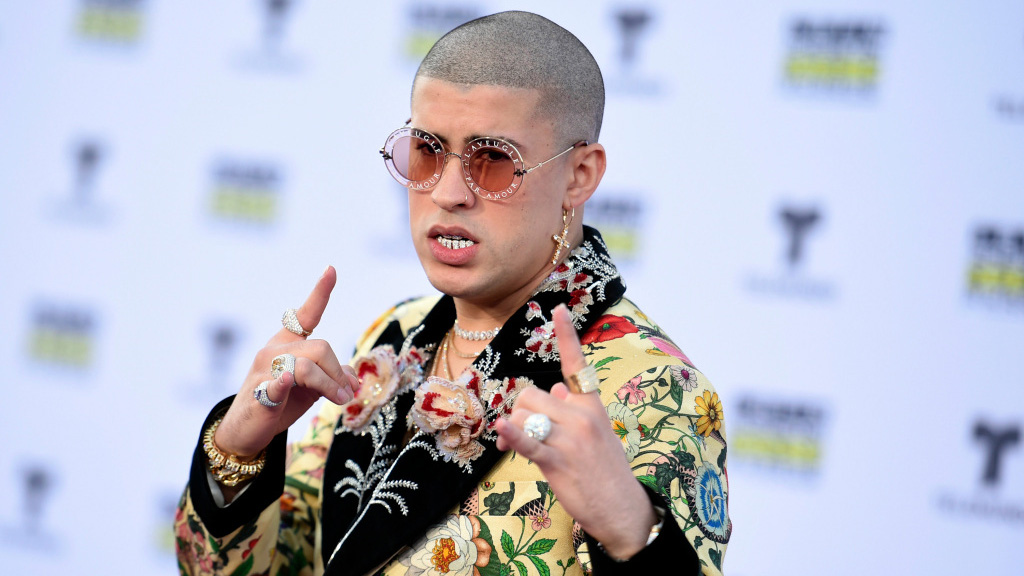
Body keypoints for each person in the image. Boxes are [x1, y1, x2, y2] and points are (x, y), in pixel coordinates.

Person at [174, 10, 730, 576]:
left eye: (494, 160)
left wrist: (632, 533)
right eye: (427, 150)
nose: (447, 192)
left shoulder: (655, 388)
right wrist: (237, 452)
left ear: (579, 175)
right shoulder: (393, 339)